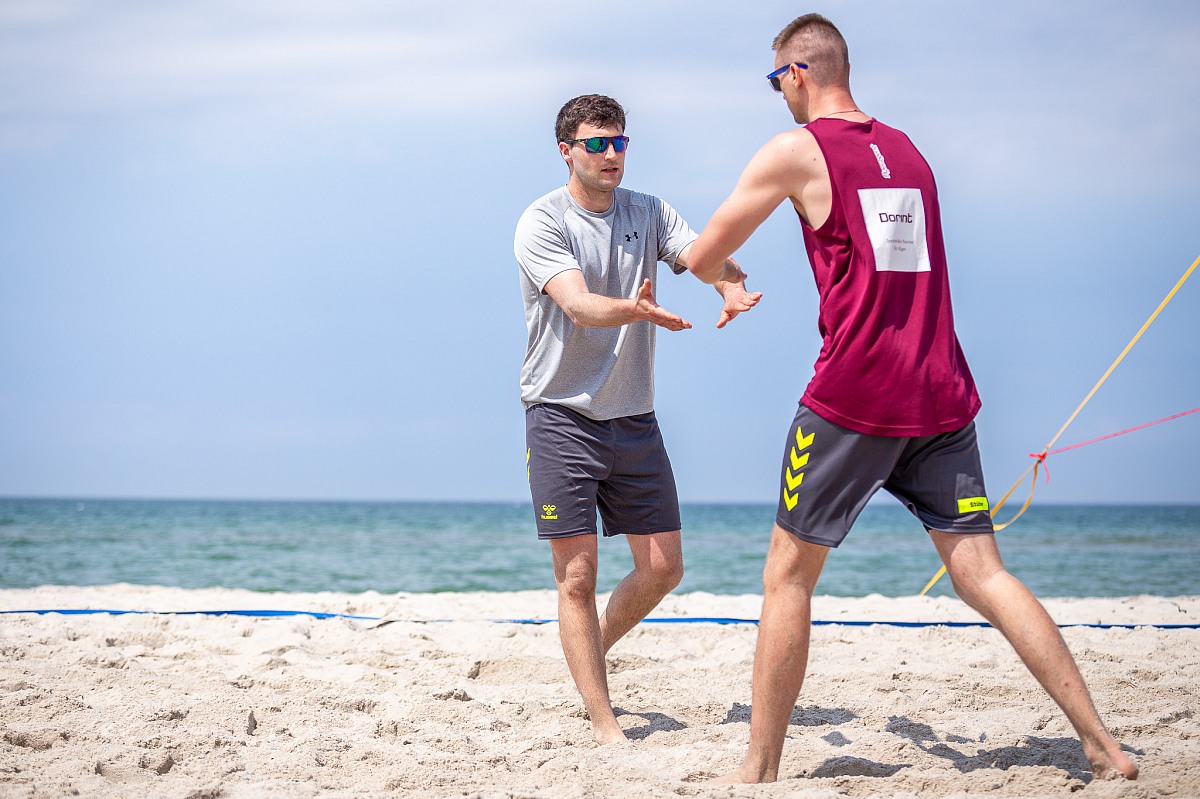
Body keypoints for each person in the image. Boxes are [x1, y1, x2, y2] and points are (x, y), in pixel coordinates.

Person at [682, 14, 1139, 783]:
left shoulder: (796, 150)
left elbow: (702, 252)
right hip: (938, 386)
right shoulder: (911, 153)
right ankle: (1103, 743)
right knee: (984, 573)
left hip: (854, 393)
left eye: (774, 79)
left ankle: (758, 768)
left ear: (798, 72)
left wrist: (724, 278)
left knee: (787, 576)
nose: (776, 93)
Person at [515, 94, 760, 744]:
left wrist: (728, 284)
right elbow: (578, 305)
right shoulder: (543, 221)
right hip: (561, 416)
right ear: (566, 151)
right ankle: (604, 723)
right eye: (597, 144)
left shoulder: (647, 210)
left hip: (634, 417)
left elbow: (699, 254)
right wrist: (636, 310)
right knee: (577, 577)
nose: (611, 154)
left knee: (663, 569)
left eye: (619, 142)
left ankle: (585, 653)